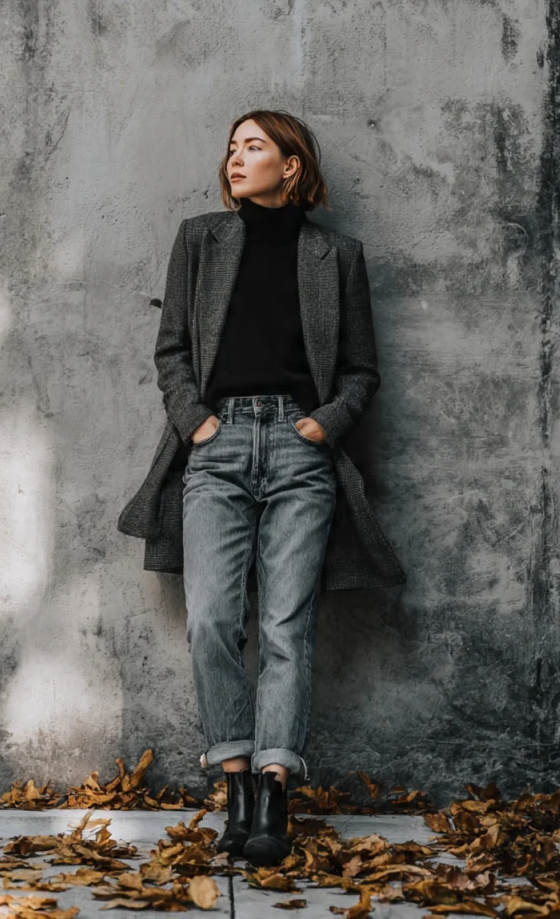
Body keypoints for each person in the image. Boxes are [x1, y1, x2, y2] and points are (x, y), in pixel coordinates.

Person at [116, 109, 405, 866]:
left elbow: (361, 370)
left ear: (292, 165)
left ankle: (275, 792)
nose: (236, 158)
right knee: (212, 619)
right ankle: (235, 783)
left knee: (285, 627)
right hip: (215, 447)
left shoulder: (335, 256)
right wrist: (197, 423)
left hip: (300, 449)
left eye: (254, 147)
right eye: (232, 147)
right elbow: (173, 346)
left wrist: (324, 425)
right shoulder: (200, 240)